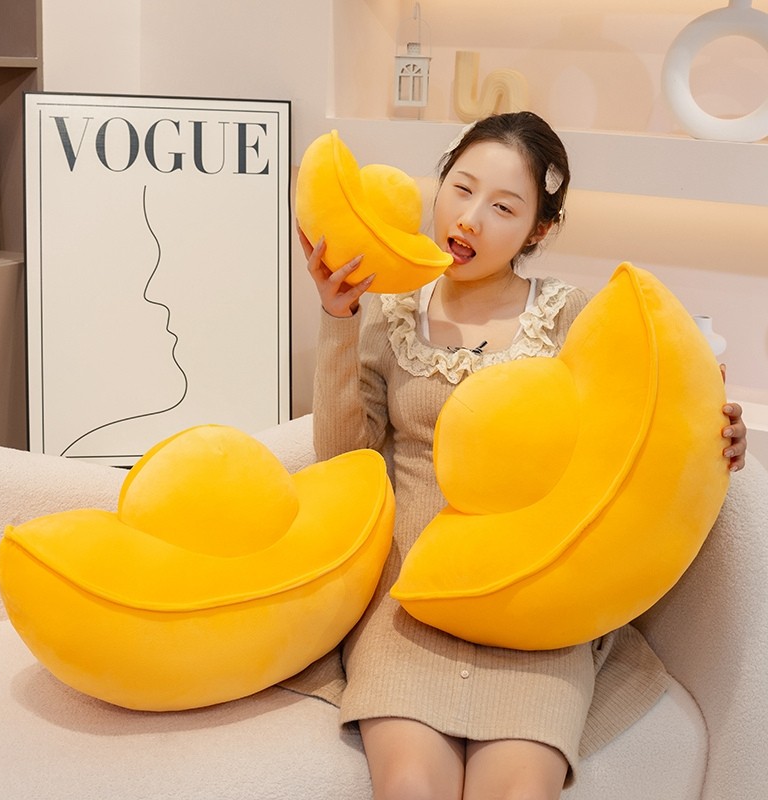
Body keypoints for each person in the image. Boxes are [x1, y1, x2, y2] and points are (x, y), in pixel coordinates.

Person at [292, 111, 748, 800]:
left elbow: (639, 431)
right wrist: (338, 321)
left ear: (538, 229)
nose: (470, 219)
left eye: (503, 207)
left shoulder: (571, 316)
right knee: (410, 786)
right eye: (461, 188)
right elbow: (343, 463)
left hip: (537, 609)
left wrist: (719, 436)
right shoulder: (388, 312)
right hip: (409, 602)